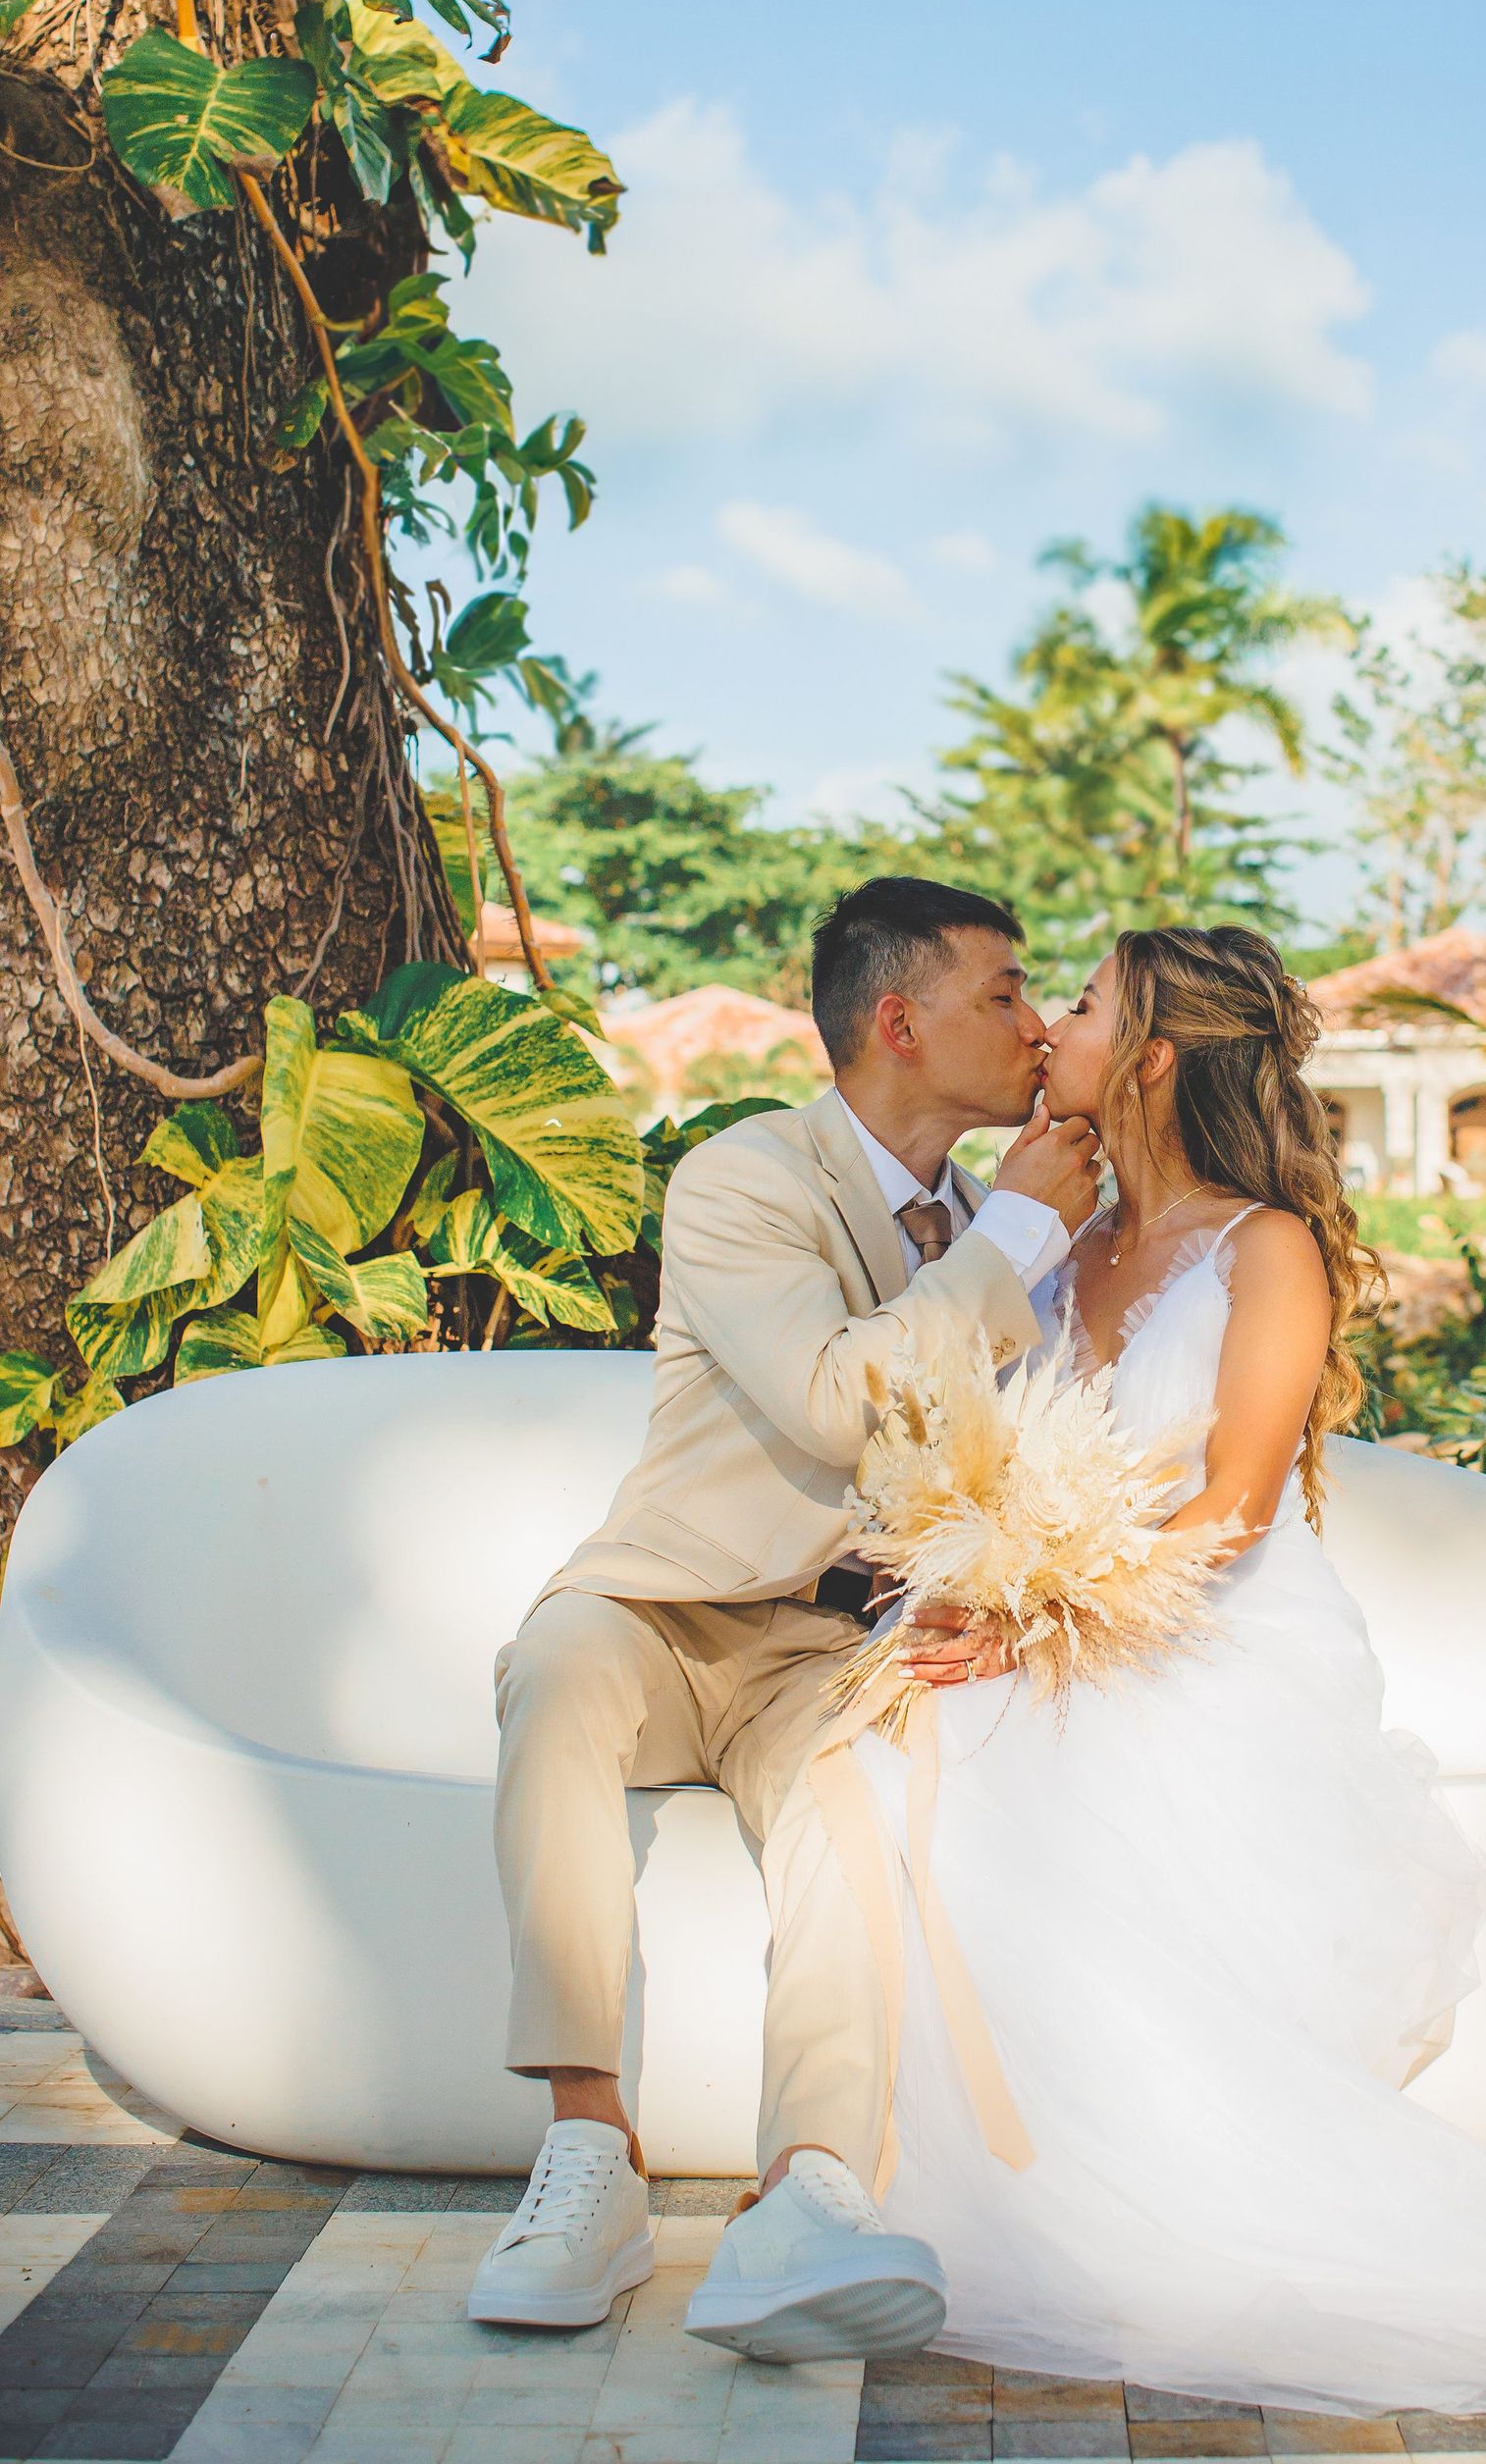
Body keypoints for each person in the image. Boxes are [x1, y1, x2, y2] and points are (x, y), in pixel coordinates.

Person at [835, 922, 1486, 2419]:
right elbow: (977, 1450)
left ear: (1148, 1056)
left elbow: (1235, 1503)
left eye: (1076, 1005)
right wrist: (970, 1587)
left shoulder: (1262, 1246)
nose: (1047, 1030)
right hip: (1058, 1612)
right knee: (895, 1764)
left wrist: (1036, 1619)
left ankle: (1160, 2190)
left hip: (1207, 1633)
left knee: (1025, 1793)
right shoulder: (1058, 1241)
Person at [467, 877, 1101, 2345]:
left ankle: (810, 2184)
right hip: (665, 1606)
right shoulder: (749, 1177)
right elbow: (832, 1399)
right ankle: (588, 2149)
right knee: (554, 1670)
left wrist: (1019, 1601)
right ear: (900, 1019)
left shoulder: (1016, 1216)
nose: (1032, 1018)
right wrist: (1007, 1242)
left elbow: (1047, 1442)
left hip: (835, 1641)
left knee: (851, 1798)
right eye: (1004, 991)